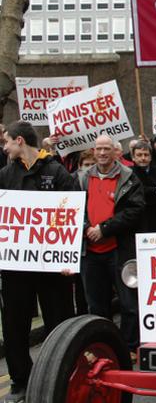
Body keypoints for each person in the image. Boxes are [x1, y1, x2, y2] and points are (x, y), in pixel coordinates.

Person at [0, 121, 78, 402]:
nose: (4, 147)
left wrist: (70, 254)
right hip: (16, 268)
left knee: (60, 322)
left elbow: (74, 213)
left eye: (6, 141)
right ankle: (20, 381)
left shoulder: (56, 172)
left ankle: (65, 375)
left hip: (53, 268)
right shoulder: (5, 175)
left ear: (20, 140)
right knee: (14, 325)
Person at [76, 135, 145, 357]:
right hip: (91, 252)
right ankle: (100, 347)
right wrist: (87, 228)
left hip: (119, 249)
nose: (103, 153)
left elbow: (135, 210)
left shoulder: (128, 177)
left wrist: (104, 229)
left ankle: (131, 346)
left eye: (107, 149)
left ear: (115, 152)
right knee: (96, 305)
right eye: (99, 149)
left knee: (128, 302)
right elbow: (74, 207)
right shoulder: (82, 178)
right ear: (93, 151)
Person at [130, 140, 156, 232]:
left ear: (151, 157)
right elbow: (131, 196)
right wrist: (154, 190)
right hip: (137, 223)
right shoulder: (129, 173)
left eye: (146, 155)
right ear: (133, 157)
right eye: (139, 155)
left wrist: (144, 197)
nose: (143, 158)